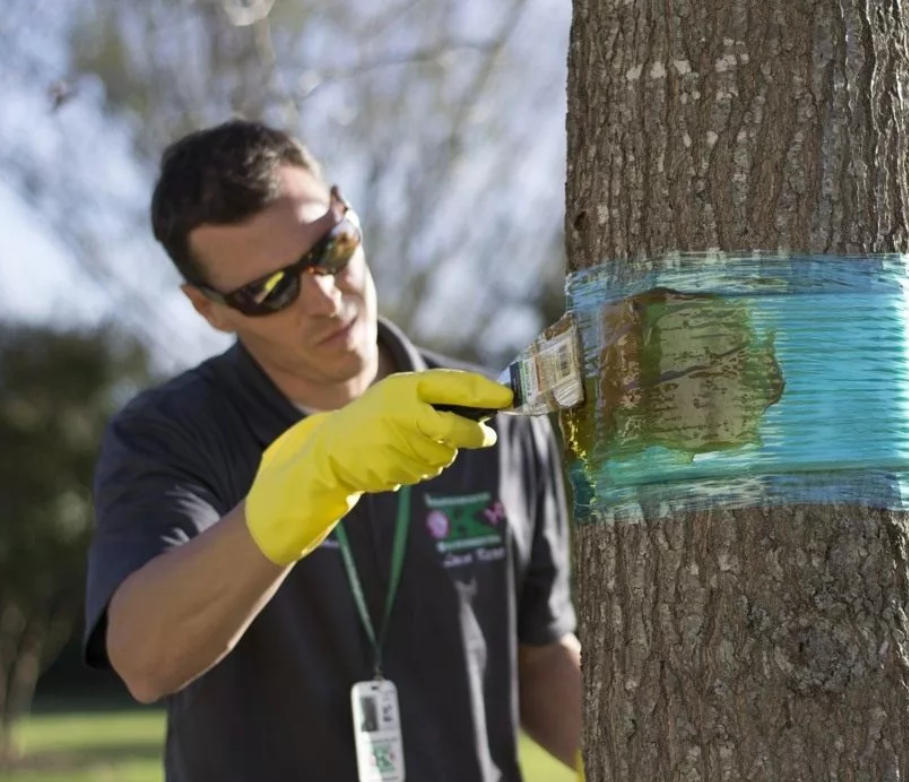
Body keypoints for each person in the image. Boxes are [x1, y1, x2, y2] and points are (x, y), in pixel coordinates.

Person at [82, 119, 583, 782]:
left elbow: (540, 659)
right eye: (268, 291)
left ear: (347, 212)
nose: (322, 297)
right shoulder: (168, 433)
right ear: (209, 309)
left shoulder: (495, 413)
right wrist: (308, 483)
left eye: (330, 248)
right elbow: (145, 658)